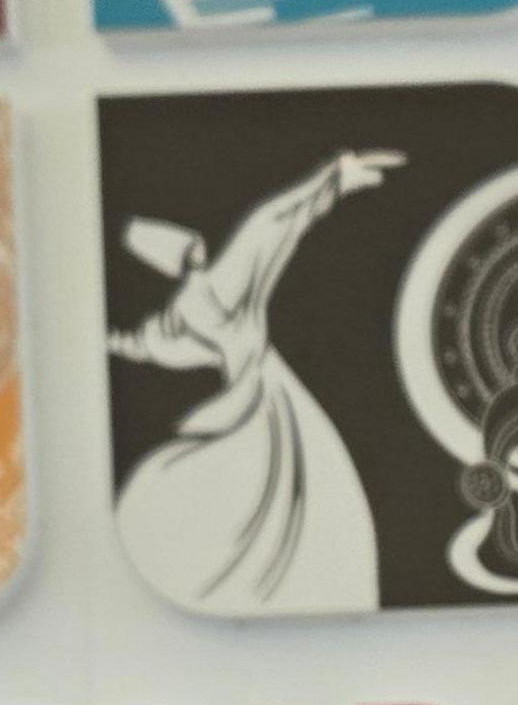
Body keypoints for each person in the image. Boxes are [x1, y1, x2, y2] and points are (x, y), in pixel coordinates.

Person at [107, 149, 401, 616]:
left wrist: (331, 180)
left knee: (282, 496)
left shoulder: (181, 315)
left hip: (256, 401)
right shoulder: (214, 291)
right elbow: (272, 226)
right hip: (264, 398)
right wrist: (333, 180)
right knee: (291, 495)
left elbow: (144, 344)